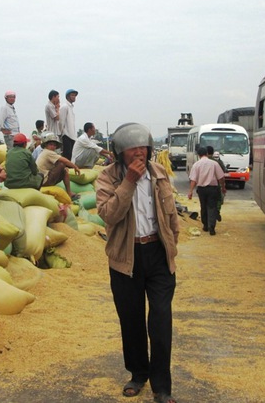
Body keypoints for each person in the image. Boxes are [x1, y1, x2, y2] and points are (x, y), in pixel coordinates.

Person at [95, 123, 179, 403]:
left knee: (161, 320)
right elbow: (109, 215)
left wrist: (172, 246)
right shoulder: (108, 178)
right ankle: (138, 374)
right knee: (131, 320)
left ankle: (162, 387)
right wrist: (129, 181)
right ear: (120, 152)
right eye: (133, 148)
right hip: (125, 259)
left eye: (144, 146)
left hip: (157, 254)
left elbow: (170, 216)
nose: (140, 152)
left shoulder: (159, 173)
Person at [188, 146, 225, 235]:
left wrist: (190, 191)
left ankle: (205, 225)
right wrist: (223, 187)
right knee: (212, 207)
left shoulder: (196, 165)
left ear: (198, 155)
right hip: (213, 189)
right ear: (207, 154)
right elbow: (221, 177)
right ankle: (211, 227)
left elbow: (193, 180)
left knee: (203, 207)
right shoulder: (214, 164)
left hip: (201, 190)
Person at [36, 132, 81, 198]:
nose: (53, 147)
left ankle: (69, 192)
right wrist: (75, 167)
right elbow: (64, 161)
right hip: (44, 181)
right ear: (46, 145)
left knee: (64, 170)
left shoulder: (45, 152)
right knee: (62, 164)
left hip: (41, 181)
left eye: (54, 145)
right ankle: (69, 193)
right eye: (51, 144)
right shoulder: (48, 152)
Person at [59, 89, 78, 160]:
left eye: (75, 95)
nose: (74, 97)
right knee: (67, 155)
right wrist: (61, 133)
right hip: (66, 135)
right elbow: (61, 121)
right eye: (72, 95)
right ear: (67, 96)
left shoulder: (71, 107)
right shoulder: (65, 107)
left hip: (72, 135)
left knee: (71, 156)